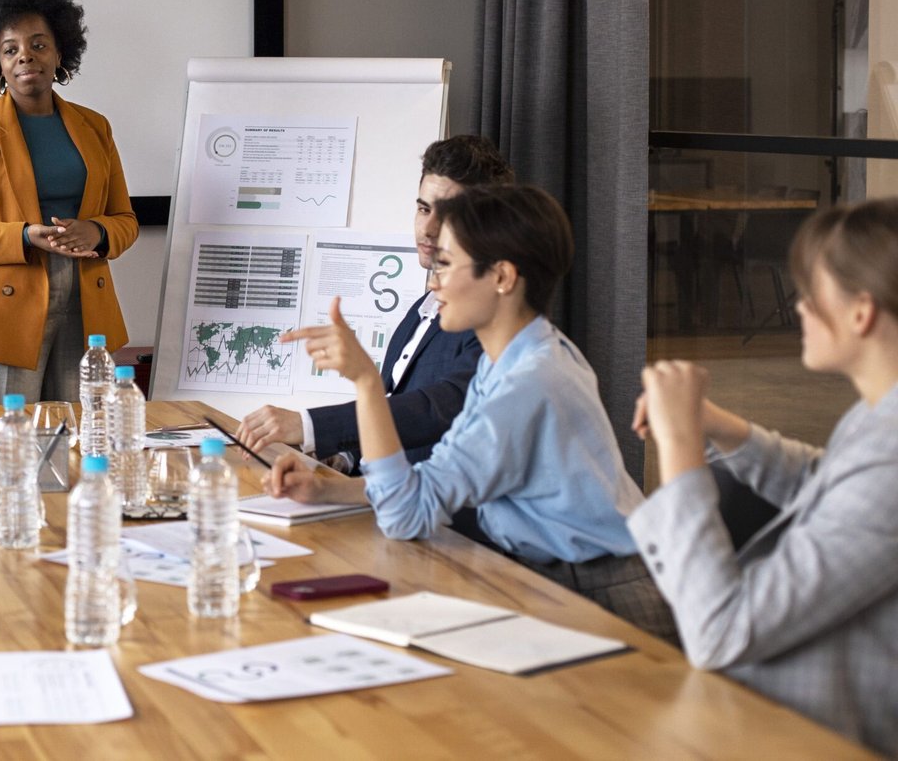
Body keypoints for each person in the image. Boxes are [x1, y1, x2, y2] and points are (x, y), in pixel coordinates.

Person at [267, 185, 677, 644]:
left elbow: (405, 514)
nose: (433, 281)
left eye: (446, 263)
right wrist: (331, 490)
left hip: (607, 598)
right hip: (564, 580)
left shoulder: (527, 384)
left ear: (501, 276)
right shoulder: (511, 360)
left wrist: (365, 380)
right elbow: (430, 484)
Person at [630, 198, 898, 754]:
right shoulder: (877, 415)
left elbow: (721, 632)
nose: (797, 307)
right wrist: (718, 426)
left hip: (807, 737)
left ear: (860, 312)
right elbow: (828, 489)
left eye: (810, 291)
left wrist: (680, 449)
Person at [0, 0, 138, 404]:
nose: (26, 56)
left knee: (83, 445)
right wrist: (23, 236)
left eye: (39, 44)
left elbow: (126, 220)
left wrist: (96, 232)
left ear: (60, 52)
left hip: (86, 304)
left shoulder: (95, 127)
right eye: (11, 49)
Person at [238, 135, 514, 470]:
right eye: (423, 209)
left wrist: (310, 426)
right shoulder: (422, 309)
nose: (428, 229)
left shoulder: (499, 316)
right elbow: (393, 412)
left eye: (448, 215)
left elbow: (442, 407)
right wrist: (341, 460)